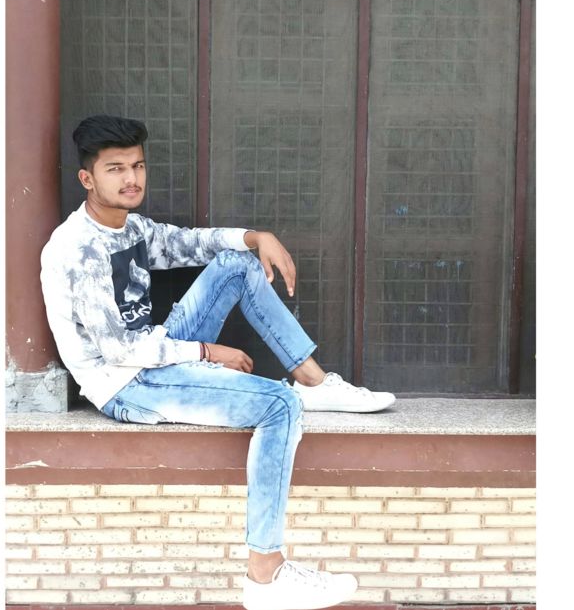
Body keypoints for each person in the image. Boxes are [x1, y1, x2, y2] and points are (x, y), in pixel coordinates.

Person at [40, 114, 396, 610]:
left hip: (154, 353)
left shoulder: (131, 227)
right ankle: (265, 576)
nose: (131, 179)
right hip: (125, 384)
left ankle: (312, 380)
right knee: (278, 407)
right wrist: (207, 352)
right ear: (87, 178)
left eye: (137, 166)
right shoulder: (78, 250)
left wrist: (254, 236)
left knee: (235, 264)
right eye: (115, 169)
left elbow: (184, 243)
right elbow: (119, 350)